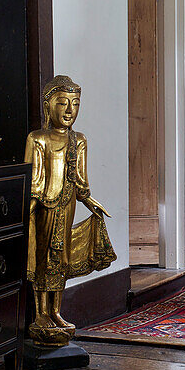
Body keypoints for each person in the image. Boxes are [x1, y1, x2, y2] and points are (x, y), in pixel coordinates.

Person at [25, 74, 116, 346]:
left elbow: (80, 181)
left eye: (75, 104)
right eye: (62, 103)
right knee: (43, 256)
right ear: (48, 106)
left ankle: (55, 311)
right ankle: (41, 313)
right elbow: (34, 179)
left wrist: (90, 202)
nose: (69, 111)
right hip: (43, 205)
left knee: (61, 257)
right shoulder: (37, 139)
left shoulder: (79, 140)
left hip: (67, 205)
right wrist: (28, 208)